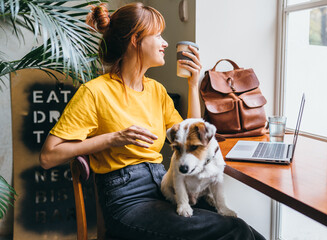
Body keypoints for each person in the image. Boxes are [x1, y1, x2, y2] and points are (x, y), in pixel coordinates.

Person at [39, 2, 265, 240]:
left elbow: (192, 134)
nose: (165, 42)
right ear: (136, 40)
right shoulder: (94, 92)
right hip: (128, 199)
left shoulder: (156, 90)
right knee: (234, 232)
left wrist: (192, 83)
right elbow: (48, 156)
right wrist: (112, 138)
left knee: (241, 226)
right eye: (157, 35)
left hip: (164, 186)